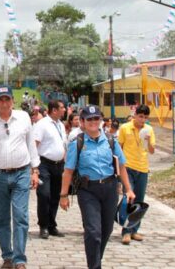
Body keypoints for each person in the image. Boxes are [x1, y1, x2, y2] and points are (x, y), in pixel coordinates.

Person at [59, 105, 135, 269]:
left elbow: (121, 166)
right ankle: (95, 266)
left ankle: (95, 261)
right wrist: (63, 195)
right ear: (83, 122)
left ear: (101, 120)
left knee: (106, 231)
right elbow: (68, 171)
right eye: (89, 119)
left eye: (96, 118)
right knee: (93, 232)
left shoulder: (110, 140)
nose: (93, 122)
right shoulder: (76, 143)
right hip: (88, 191)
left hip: (109, 189)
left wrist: (128, 189)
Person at [0, 85, 40, 269]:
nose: (4, 103)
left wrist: (35, 170)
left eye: (7, 99)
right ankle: (7, 256)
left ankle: (20, 259)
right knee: (1, 218)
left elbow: (31, 145)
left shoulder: (24, 118)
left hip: (21, 173)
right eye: (0, 99)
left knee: (20, 216)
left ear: (13, 101)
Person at [117, 104, 156, 245]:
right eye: (140, 116)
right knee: (129, 198)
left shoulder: (149, 129)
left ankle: (134, 229)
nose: (142, 120)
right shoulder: (124, 128)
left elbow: (152, 150)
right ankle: (126, 231)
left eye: (145, 117)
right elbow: (119, 148)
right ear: (135, 115)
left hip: (143, 168)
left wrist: (147, 140)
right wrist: (118, 170)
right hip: (127, 167)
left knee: (139, 200)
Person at [33, 99, 67, 239]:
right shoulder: (42, 125)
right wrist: (33, 168)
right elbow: (34, 145)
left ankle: (52, 224)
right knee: (44, 194)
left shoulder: (60, 125)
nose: (64, 110)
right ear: (54, 110)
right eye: (62, 107)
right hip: (44, 164)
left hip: (58, 165)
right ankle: (43, 225)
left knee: (55, 195)